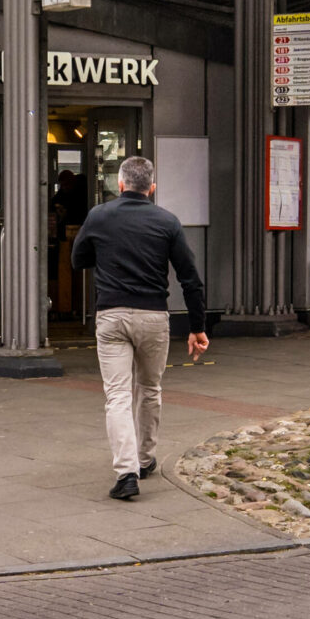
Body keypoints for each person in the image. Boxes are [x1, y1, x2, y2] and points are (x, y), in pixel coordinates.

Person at [72, 154, 209, 501]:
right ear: (152, 187)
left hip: (112, 316)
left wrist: (106, 255)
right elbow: (190, 278)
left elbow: (78, 259)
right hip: (153, 317)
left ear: (119, 185)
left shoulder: (99, 216)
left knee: (117, 394)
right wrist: (197, 327)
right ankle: (146, 459)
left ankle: (126, 472)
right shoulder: (167, 221)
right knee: (150, 388)